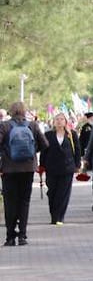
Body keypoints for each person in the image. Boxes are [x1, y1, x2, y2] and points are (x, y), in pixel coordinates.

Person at [1, 102, 50, 246]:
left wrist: (6, 153)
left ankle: (10, 237)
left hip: (9, 169)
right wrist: (32, 152)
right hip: (28, 168)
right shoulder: (33, 125)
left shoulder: (4, 126)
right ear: (24, 111)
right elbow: (45, 144)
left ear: (11, 111)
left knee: (10, 202)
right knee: (24, 201)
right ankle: (22, 235)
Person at [41, 112, 79, 226]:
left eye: (61, 119)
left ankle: (59, 217)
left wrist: (77, 165)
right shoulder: (48, 135)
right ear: (53, 121)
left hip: (67, 168)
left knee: (63, 193)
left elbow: (77, 150)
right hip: (51, 168)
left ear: (66, 121)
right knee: (52, 192)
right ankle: (53, 214)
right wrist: (41, 165)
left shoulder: (71, 134)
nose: (59, 121)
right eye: (57, 119)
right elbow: (44, 151)